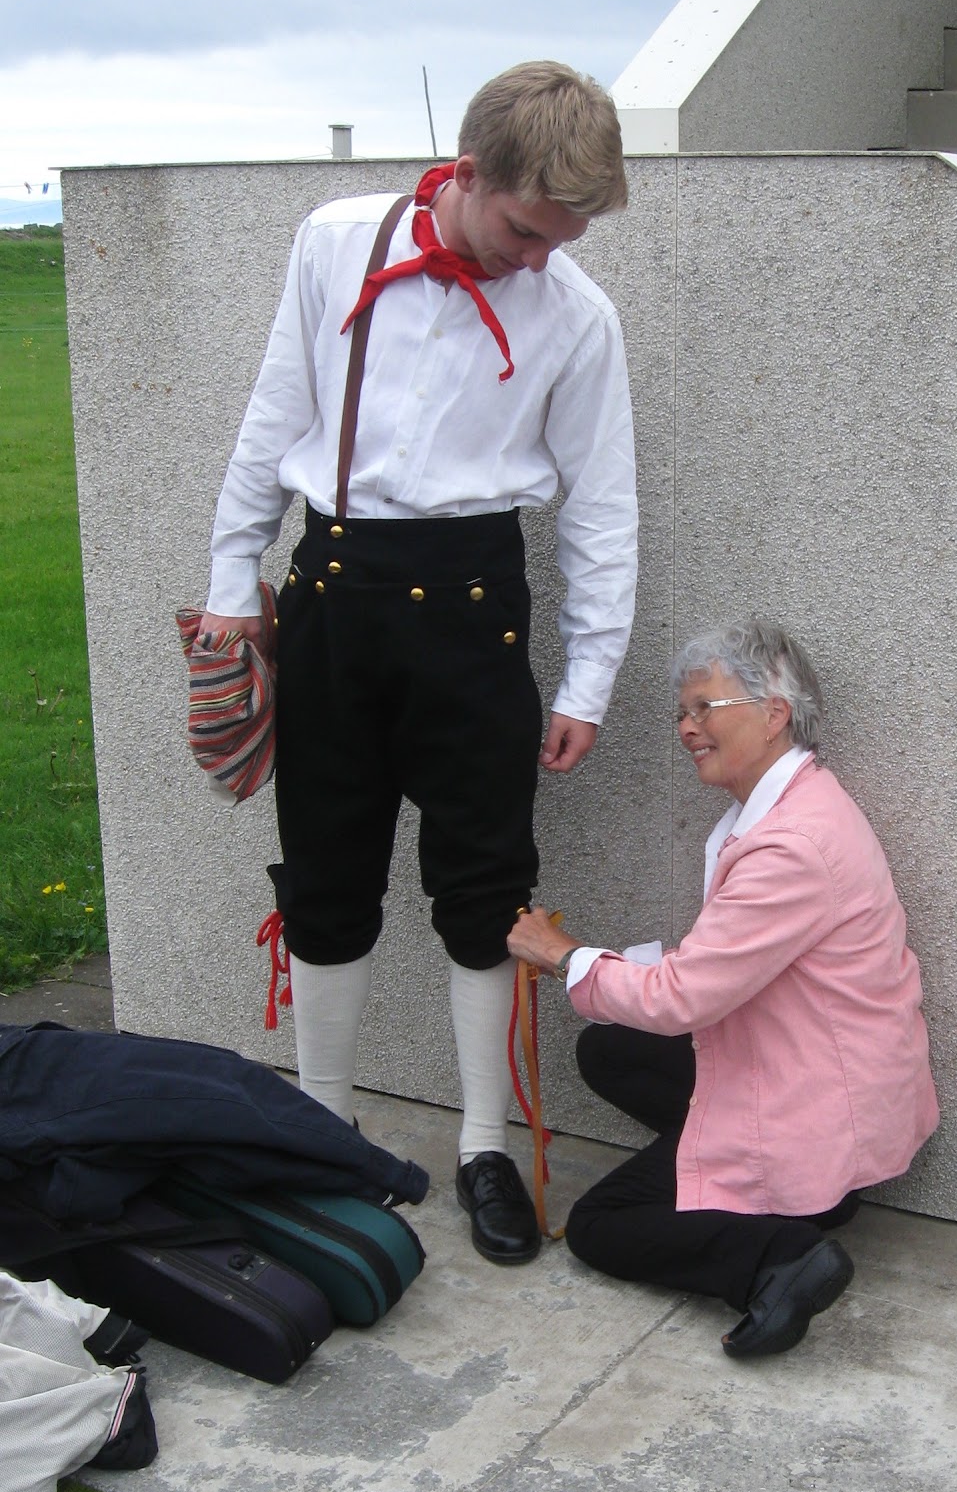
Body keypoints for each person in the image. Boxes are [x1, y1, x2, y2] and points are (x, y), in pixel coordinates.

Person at [198, 62, 639, 1266]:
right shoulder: (336, 242)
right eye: (525, 228)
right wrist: (234, 584)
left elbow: (602, 506)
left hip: (477, 615)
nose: (541, 256)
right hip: (333, 597)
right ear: (472, 169)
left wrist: (590, 676)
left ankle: (484, 1147)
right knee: (328, 878)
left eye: (566, 237)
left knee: (484, 892)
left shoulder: (576, 313)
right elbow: (275, 410)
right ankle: (323, 1133)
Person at [508, 619, 938, 1356]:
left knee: (600, 1225)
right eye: (682, 712)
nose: (686, 727)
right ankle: (800, 1197)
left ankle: (777, 1255)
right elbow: (716, 964)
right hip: (822, 1079)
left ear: (774, 712)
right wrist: (596, 965)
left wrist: (562, 955)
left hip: (818, 1106)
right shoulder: (794, 804)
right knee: (610, 1050)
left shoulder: (791, 845)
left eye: (704, 707)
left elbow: (682, 999)